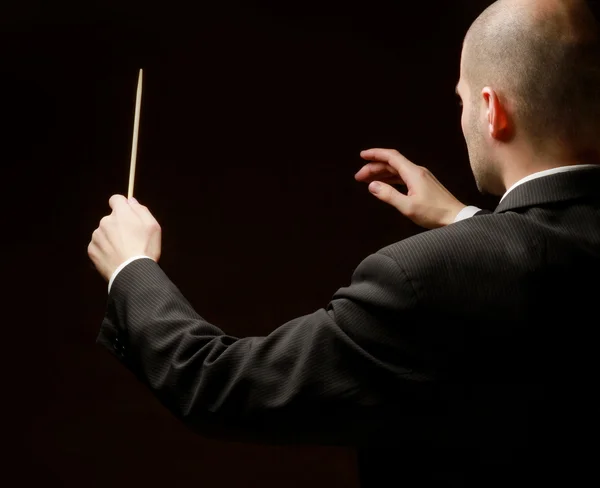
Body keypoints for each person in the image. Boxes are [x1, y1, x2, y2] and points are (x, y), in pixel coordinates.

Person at [88, 0, 600, 486]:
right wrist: (466, 222)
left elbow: (224, 384)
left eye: (463, 100)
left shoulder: (419, 281)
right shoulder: (521, 255)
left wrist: (132, 269)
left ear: (491, 111)